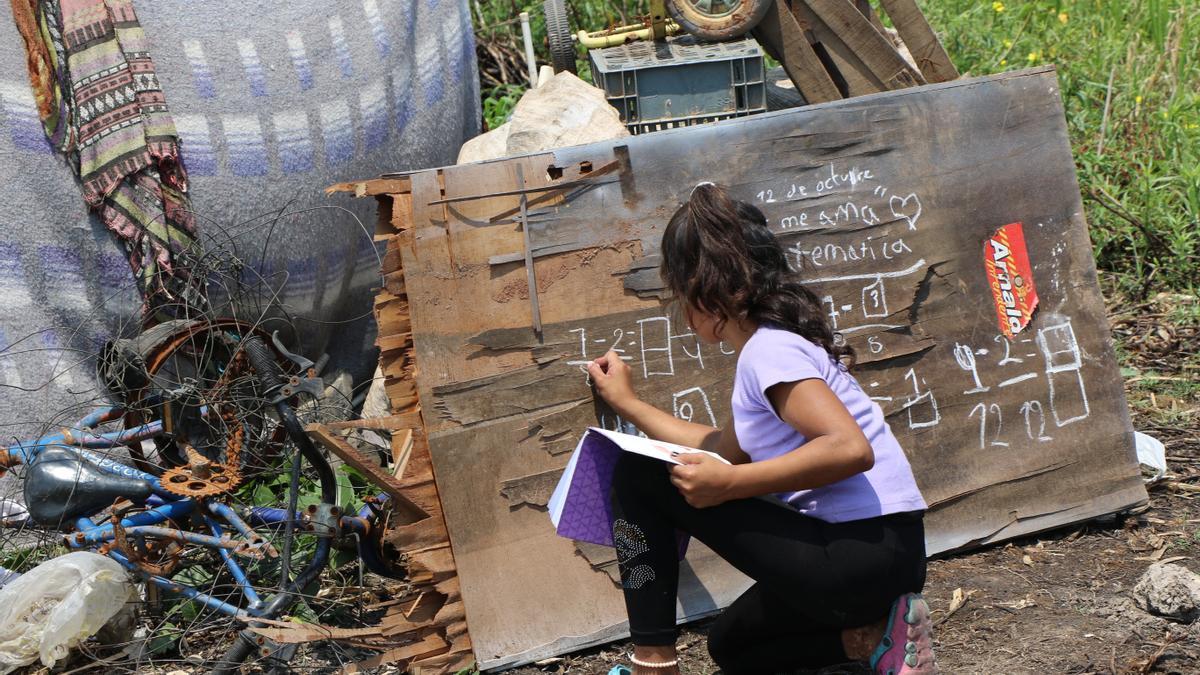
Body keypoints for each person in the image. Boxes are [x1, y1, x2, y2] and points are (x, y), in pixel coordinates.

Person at [587, 183, 938, 675]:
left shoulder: (768, 353)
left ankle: (652, 663)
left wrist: (732, 484)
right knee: (734, 646)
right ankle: (875, 639)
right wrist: (628, 403)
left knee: (638, 473)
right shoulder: (778, 347)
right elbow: (720, 449)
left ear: (704, 293)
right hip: (888, 557)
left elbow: (849, 448)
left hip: (858, 552)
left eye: (680, 296)